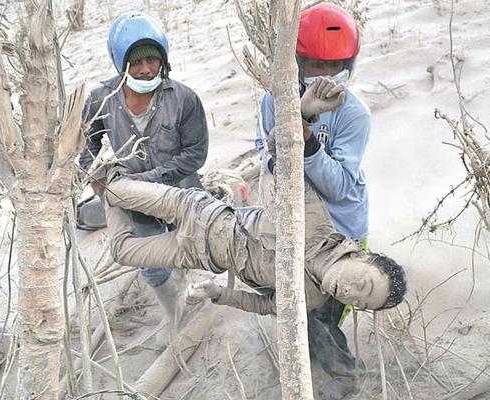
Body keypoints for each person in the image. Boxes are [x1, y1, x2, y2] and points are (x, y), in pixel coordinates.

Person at [102, 161, 406, 398]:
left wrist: (218, 293)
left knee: (123, 251)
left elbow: (263, 305)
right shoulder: (315, 225)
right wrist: (306, 114)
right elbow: (282, 160)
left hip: (195, 254)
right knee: (113, 189)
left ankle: (108, 177)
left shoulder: (311, 299)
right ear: (361, 256)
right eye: (363, 284)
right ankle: (107, 163)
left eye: (360, 303)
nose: (351, 293)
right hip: (196, 211)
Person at [78, 11, 209, 346]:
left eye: (153, 59)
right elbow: (85, 142)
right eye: (136, 63)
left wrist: (149, 177)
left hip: (181, 193)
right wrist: (92, 171)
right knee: (151, 266)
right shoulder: (101, 100)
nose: (146, 69)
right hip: (138, 204)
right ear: (120, 63)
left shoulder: (183, 98)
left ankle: (188, 285)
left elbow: (195, 154)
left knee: (192, 248)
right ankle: (172, 312)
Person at [255, 2, 369, 335]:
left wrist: (305, 139)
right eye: (317, 64)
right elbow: (267, 156)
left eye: (335, 66)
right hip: (294, 226)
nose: (326, 75)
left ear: (349, 65)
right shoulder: (272, 99)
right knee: (295, 313)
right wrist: (295, 117)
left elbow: (338, 187)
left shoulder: (354, 114)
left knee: (325, 323)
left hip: (341, 233)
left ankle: (339, 380)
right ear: (298, 63)